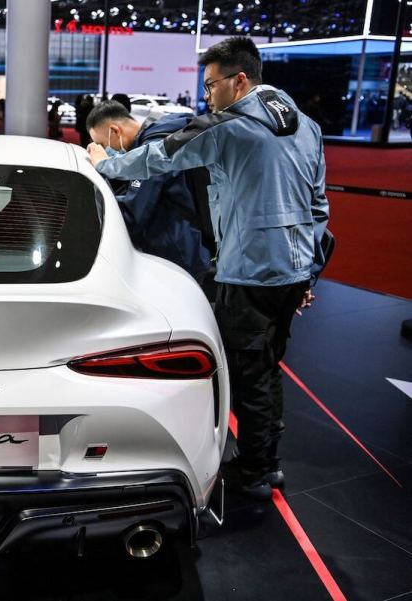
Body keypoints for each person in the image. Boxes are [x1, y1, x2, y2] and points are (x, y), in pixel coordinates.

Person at [87, 37, 330, 500]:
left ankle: (256, 469)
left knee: (248, 372)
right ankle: (268, 461)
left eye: (212, 85)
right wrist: (309, 272)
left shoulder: (229, 127)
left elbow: (160, 156)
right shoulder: (308, 128)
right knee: (269, 365)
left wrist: (109, 163)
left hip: (248, 272)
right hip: (293, 271)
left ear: (239, 81)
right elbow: (320, 205)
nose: (207, 96)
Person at [85, 100, 214, 291]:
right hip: (183, 250)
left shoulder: (154, 150)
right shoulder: (160, 139)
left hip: (179, 261)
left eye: (102, 144)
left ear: (115, 131)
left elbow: (133, 213)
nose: (105, 151)